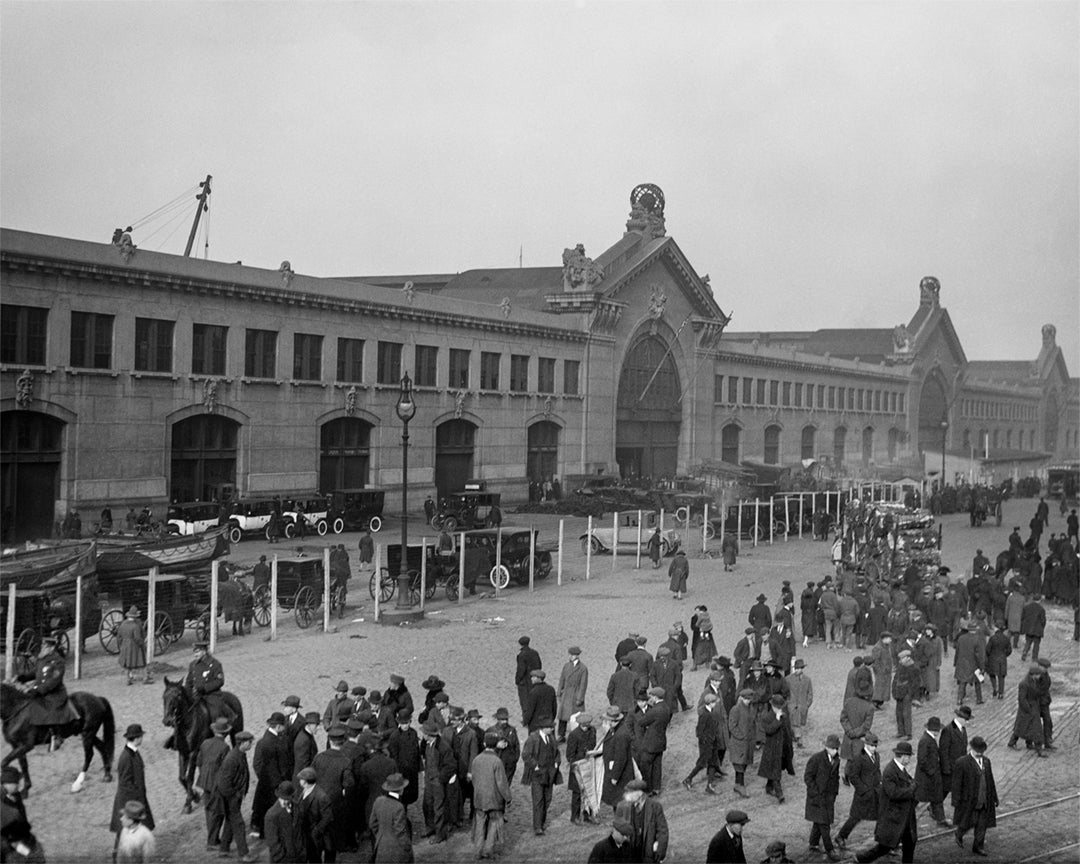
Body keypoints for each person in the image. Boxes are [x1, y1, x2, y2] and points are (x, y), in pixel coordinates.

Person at [854, 741, 917, 864]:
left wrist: (912, 785)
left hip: (902, 816)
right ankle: (861, 859)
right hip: (893, 817)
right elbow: (893, 793)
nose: (909, 759)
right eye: (908, 756)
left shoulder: (899, 768)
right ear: (903, 756)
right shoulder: (890, 771)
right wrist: (911, 789)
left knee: (910, 843)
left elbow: (910, 781)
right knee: (884, 847)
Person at [111, 725, 155, 859]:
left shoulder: (133, 752)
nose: (142, 738)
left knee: (130, 830)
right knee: (124, 831)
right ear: (136, 739)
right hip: (129, 801)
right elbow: (125, 783)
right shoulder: (126, 757)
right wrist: (135, 803)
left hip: (134, 798)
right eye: (141, 736)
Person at [952, 736, 998, 856]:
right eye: (977, 750)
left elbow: (990, 780)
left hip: (984, 799)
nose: (979, 753)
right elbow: (956, 783)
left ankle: (978, 846)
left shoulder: (987, 762)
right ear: (971, 748)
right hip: (969, 800)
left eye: (981, 751)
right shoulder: (962, 762)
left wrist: (994, 797)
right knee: (968, 821)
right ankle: (959, 833)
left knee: (982, 824)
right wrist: (956, 800)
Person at [835, 731, 881, 850]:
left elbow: (877, 771)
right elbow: (853, 776)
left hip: (875, 792)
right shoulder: (859, 758)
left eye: (875, 746)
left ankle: (881, 839)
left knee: (881, 815)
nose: (874, 748)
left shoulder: (877, 756)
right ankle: (841, 836)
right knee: (855, 817)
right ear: (865, 745)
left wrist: (879, 782)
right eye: (871, 746)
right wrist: (863, 790)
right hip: (863, 794)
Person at [216, 729, 256, 863]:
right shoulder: (232, 758)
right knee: (239, 824)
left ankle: (224, 849)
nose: (251, 745)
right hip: (230, 797)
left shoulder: (239, 754)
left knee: (230, 821)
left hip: (233, 796)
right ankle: (244, 854)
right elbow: (223, 782)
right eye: (249, 742)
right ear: (242, 743)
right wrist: (235, 795)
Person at [252, 712, 293, 838]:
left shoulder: (264, 740)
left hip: (266, 782)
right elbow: (283, 766)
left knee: (263, 808)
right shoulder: (274, 742)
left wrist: (264, 778)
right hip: (275, 783)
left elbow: (257, 763)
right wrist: (278, 781)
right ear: (279, 727)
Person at [469, 733, 510, 859]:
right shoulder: (497, 761)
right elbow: (501, 783)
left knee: (480, 824)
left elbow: (473, 779)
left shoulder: (476, 759)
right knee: (494, 824)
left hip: (479, 799)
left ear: (485, 744)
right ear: (496, 745)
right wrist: (508, 797)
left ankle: (477, 850)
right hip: (494, 800)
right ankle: (488, 849)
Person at [803, 734, 842, 862]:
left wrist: (835, 793)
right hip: (817, 798)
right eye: (833, 748)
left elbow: (835, 777)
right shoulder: (816, 759)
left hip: (829, 797)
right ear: (826, 747)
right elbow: (808, 777)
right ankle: (830, 849)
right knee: (824, 824)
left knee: (819, 821)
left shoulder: (837, 760)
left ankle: (813, 843)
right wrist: (816, 792)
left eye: (837, 748)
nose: (835, 751)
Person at [520, 716, 561, 836]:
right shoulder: (533, 739)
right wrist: (535, 766)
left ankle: (541, 822)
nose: (552, 730)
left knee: (548, 799)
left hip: (550, 774)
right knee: (538, 800)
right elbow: (526, 755)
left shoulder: (551, 738)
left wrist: (557, 763)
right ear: (543, 728)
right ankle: (538, 826)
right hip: (537, 775)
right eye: (550, 728)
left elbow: (557, 753)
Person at [196, 717, 231, 850]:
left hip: (204, 782)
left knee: (208, 810)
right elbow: (225, 769)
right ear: (226, 734)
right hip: (217, 784)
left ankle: (213, 837)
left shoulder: (205, 743)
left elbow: (198, 762)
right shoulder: (225, 747)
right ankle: (212, 840)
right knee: (217, 812)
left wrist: (205, 775)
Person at [615, 778, 669, 863]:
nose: (626, 795)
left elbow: (662, 831)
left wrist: (660, 852)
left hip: (648, 853)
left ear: (639, 793)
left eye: (630, 792)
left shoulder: (655, 807)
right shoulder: (625, 807)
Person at [682, 691, 727, 794]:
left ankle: (709, 786)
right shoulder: (705, 715)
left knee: (712, 763)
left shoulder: (709, 712)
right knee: (702, 763)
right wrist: (706, 742)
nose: (715, 704)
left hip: (712, 743)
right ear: (710, 703)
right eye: (714, 702)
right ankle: (688, 779)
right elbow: (699, 731)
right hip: (707, 744)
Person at [420, 718, 454, 844]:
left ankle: (441, 833)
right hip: (429, 779)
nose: (422, 735)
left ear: (429, 735)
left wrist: (440, 779)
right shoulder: (426, 744)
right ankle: (430, 828)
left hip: (438, 781)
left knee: (438, 808)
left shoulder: (443, 747)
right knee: (426, 805)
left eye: (424, 733)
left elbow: (450, 765)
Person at [1, 765, 44, 862]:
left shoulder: (16, 796)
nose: (19, 785)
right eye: (16, 782)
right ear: (8, 784)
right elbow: (11, 841)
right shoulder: (3, 806)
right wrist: (29, 854)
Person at [757, 694, 795, 803]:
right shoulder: (766, 717)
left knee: (775, 769)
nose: (779, 709)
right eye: (777, 707)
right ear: (772, 706)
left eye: (780, 707)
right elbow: (769, 730)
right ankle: (779, 794)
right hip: (772, 749)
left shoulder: (784, 715)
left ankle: (769, 786)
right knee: (775, 770)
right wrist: (777, 720)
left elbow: (787, 729)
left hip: (783, 747)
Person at [597, 705, 635, 811]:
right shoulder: (615, 730)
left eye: (607, 720)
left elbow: (620, 758)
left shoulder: (621, 735)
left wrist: (615, 777)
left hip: (621, 775)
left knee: (621, 802)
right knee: (617, 801)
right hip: (614, 771)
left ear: (612, 721)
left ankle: (624, 824)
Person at [914, 716, 951, 827]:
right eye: (935, 730)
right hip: (926, 776)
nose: (937, 732)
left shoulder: (929, 738)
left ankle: (941, 819)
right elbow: (922, 759)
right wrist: (931, 772)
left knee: (936, 797)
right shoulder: (925, 740)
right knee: (917, 797)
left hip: (930, 775)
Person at [369, 773, 413, 863]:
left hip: (381, 848)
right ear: (401, 789)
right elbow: (400, 832)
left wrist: (382, 835)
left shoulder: (378, 801)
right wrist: (408, 846)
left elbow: (372, 824)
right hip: (397, 851)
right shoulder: (399, 806)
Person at [1007, 664, 1048, 755]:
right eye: (1038, 674)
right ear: (1033, 674)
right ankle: (1038, 749)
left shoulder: (1034, 681)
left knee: (1025, 726)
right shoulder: (1024, 684)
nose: (1039, 676)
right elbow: (1022, 698)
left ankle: (1025, 743)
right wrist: (1028, 709)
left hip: (1033, 707)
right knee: (1032, 728)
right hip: (1027, 708)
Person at [296, 766, 334, 862]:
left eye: (301, 779)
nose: (299, 781)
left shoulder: (321, 796)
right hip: (306, 833)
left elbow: (327, 817)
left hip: (316, 837)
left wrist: (316, 831)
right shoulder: (304, 791)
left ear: (305, 781)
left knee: (315, 858)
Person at [638, 687, 671, 794]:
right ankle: (657, 788)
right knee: (657, 766)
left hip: (650, 742)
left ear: (655, 697)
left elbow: (642, 722)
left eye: (651, 696)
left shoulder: (654, 711)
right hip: (661, 741)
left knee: (646, 766)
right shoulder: (666, 707)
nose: (650, 698)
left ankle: (648, 789)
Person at [565, 713, 595, 824]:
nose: (587, 727)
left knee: (590, 792)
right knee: (577, 793)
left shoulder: (593, 731)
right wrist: (582, 756)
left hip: (590, 765)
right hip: (578, 767)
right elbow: (570, 755)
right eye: (585, 725)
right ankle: (575, 816)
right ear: (580, 724)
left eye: (588, 725)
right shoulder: (574, 735)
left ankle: (588, 815)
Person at [185, 640, 226, 721]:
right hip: (196, 695)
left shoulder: (215, 664)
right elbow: (189, 681)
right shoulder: (193, 665)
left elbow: (219, 681)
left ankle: (217, 731)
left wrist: (204, 688)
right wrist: (187, 693)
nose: (195, 655)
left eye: (197, 652)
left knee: (215, 713)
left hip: (211, 695)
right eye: (194, 652)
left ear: (204, 652)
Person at [264, 780, 302, 864]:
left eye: (287, 799)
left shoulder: (296, 807)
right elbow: (272, 841)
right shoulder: (272, 815)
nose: (285, 801)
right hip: (284, 859)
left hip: (299, 856)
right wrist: (281, 857)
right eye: (282, 798)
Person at [727, 688, 755, 798]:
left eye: (750, 699)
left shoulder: (750, 708)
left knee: (744, 763)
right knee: (739, 764)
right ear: (742, 698)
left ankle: (737, 784)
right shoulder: (736, 709)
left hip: (748, 742)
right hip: (739, 742)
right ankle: (741, 786)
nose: (748, 701)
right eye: (746, 699)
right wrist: (741, 736)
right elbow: (732, 726)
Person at [556, 646, 588, 742]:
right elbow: (562, 679)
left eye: (572, 655)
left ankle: (576, 735)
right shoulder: (566, 666)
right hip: (566, 693)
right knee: (562, 716)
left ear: (577, 656)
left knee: (575, 717)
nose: (570, 656)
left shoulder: (582, 668)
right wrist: (559, 691)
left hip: (575, 694)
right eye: (570, 654)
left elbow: (583, 685)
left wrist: (580, 698)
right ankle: (561, 735)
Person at [484, 707, 520, 786]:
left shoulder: (512, 730)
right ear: (497, 719)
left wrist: (515, 759)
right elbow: (485, 748)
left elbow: (516, 746)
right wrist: (496, 746)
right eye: (502, 719)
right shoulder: (491, 730)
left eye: (506, 719)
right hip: (496, 762)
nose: (505, 722)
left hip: (510, 764)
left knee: (506, 785)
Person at [116, 606, 152, 686]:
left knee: (128, 664)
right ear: (135, 617)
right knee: (142, 663)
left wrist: (121, 645)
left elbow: (119, 636)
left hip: (125, 646)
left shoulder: (123, 624)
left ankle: (128, 679)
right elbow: (137, 638)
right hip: (135, 647)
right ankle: (145, 678)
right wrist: (143, 645)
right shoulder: (135, 626)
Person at [784, 658, 812, 748]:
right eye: (796, 668)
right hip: (792, 705)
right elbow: (785, 691)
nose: (797, 670)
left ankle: (796, 737)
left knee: (800, 723)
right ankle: (798, 739)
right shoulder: (788, 679)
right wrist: (788, 702)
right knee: (794, 723)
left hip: (802, 706)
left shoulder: (807, 680)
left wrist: (807, 704)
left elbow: (810, 693)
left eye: (799, 668)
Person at [515, 636, 542, 716]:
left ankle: (526, 718)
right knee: (534, 698)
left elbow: (521, 670)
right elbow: (539, 666)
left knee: (525, 700)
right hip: (535, 678)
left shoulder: (521, 655)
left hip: (525, 681)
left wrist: (517, 680)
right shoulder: (535, 653)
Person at [1019, 593, 1047, 662]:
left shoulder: (1026, 607)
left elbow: (1022, 618)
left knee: (1028, 642)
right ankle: (1034, 658)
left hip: (1028, 629)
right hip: (1037, 629)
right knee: (1036, 644)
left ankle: (1025, 652)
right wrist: (1042, 627)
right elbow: (1043, 621)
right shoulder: (1041, 609)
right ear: (1040, 600)